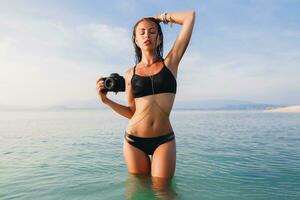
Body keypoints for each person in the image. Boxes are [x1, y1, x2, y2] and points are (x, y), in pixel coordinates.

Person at [96, 11, 195, 179]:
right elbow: (132, 112)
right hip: (134, 140)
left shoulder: (171, 63)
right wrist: (106, 100)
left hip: (164, 140)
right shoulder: (129, 74)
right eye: (141, 32)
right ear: (136, 40)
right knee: (139, 191)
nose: (146, 35)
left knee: (163, 190)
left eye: (152, 31)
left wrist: (159, 18)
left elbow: (189, 17)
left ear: (160, 38)